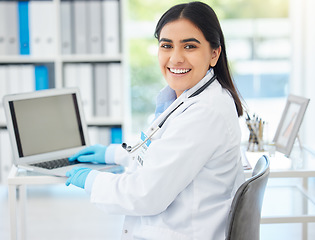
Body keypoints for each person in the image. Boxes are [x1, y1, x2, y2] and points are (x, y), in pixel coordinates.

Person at [65, 2, 245, 239]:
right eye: (166, 46)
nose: (176, 58)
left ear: (214, 54)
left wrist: (92, 180)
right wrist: (112, 154)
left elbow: (145, 195)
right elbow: (160, 153)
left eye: (189, 46)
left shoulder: (204, 113)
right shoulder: (189, 98)